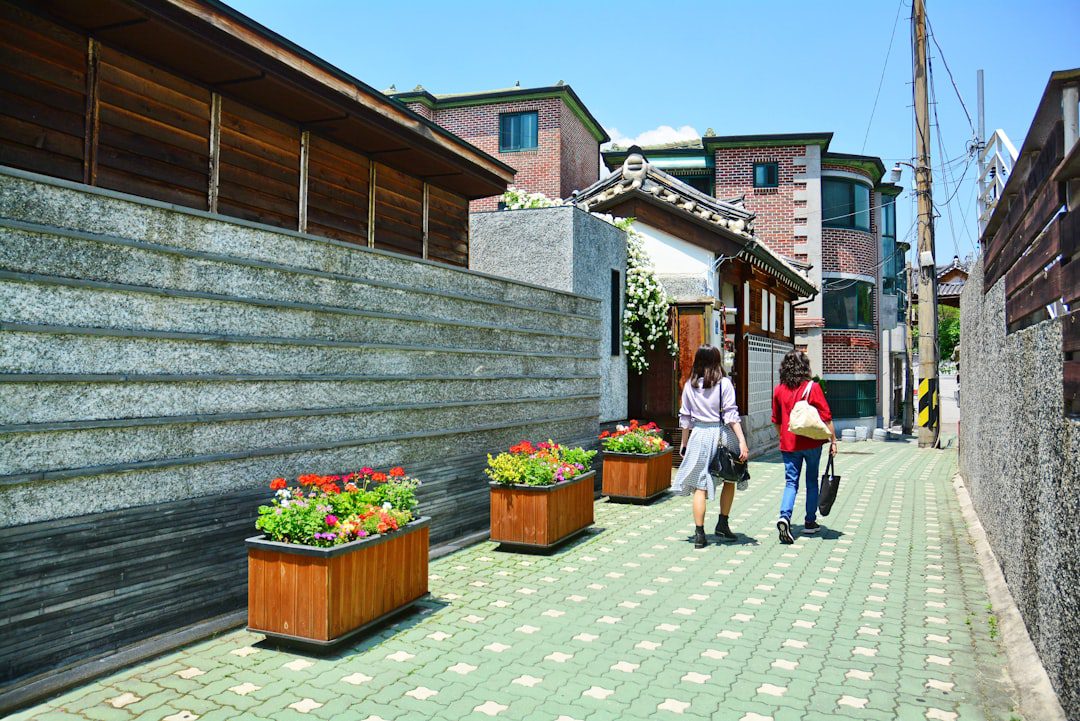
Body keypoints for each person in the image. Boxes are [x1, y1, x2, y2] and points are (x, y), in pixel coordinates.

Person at [671, 345, 749, 549]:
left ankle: (699, 534)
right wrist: (742, 441)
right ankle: (723, 524)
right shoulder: (724, 384)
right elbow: (731, 415)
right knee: (730, 477)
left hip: (698, 435)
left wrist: (684, 443)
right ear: (717, 360)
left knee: (700, 485)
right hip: (721, 435)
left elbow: (685, 417)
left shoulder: (690, 385)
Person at [771, 350, 837, 544]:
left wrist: (783, 436)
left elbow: (776, 420)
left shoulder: (779, 390)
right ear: (805, 367)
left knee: (791, 483)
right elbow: (826, 417)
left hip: (789, 445)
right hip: (812, 443)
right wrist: (833, 440)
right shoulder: (813, 387)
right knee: (811, 481)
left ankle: (785, 516)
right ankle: (809, 522)